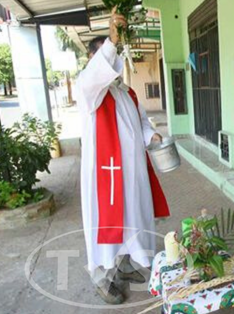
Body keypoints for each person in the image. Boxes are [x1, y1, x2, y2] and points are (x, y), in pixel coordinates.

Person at [75, 9, 170, 304]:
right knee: (108, 229)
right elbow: (93, 77)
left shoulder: (126, 92)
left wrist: (151, 136)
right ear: (97, 63)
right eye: (108, 59)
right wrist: (112, 41)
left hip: (133, 173)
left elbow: (141, 122)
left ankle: (126, 265)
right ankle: (102, 279)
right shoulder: (90, 92)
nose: (114, 66)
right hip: (108, 178)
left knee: (134, 219)